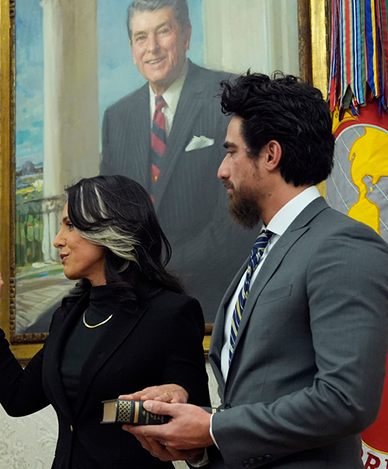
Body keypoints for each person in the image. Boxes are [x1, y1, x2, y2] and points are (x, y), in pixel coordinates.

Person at [124, 73, 388, 468]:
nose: (221, 170)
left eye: (231, 152)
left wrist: (214, 427)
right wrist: (198, 443)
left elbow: (346, 400)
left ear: (270, 155)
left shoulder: (343, 245)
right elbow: (254, 398)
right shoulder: (265, 251)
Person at [0, 175, 210, 469]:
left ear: (109, 229)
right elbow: (18, 398)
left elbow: (197, 426)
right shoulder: (67, 315)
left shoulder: (171, 313)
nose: (58, 240)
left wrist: (168, 404)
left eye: (70, 225)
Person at [100, 0, 258, 320]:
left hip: (210, 295)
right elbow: (111, 218)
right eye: (141, 37)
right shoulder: (116, 117)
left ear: (186, 34)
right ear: (131, 47)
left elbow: (237, 226)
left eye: (164, 31)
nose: (153, 47)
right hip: (133, 297)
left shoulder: (229, 95)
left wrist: (155, 273)